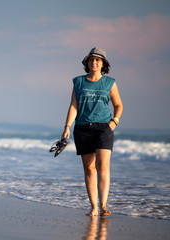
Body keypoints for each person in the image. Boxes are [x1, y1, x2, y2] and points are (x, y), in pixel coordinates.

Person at [61, 47, 123, 217]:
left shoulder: (109, 82)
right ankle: (94, 207)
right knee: (89, 169)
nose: (94, 62)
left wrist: (113, 123)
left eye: (97, 60)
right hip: (82, 128)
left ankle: (103, 206)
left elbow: (119, 105)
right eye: (91, 60)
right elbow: (74, 105)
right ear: (87, 63)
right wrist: (67, 126)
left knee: (103, 166)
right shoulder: (78, 82)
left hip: (104, 128)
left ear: (103, 64)